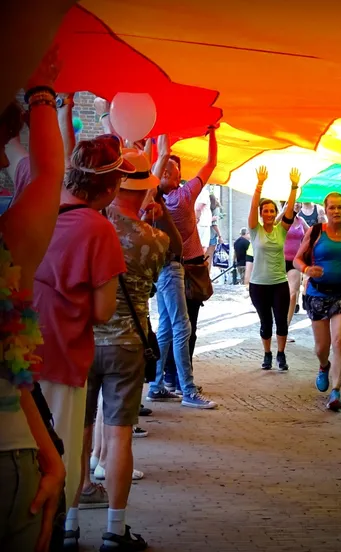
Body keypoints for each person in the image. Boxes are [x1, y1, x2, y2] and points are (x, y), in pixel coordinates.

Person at [33, 134, 137, 546]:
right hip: (63, 354)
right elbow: (101, 311)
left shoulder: (39, 211)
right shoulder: (98, 228)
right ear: (110, 188)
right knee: (60, 460)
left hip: (21, 351)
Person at [88, 149, 178, 550]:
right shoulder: (155, 239)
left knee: (80, 430)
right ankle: (114, 528)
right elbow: (171, 257)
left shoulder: (91, 226)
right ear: (145, 191)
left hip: (85, 339)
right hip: (129, 342)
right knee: (120, 435)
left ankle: (71, 524)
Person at [0, 54, 68, 552]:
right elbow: (49, 174)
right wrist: (41, 89)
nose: (5, 161)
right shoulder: (7, 245)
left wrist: (49, 452)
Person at [149, 127, 218, 408]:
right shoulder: (184, 195)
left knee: (167, 326)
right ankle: (187, 390)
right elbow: (210, 163)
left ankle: (156, 384)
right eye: (168, 168)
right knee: (182, 327)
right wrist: (212, 134)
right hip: (175, 268)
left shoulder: (151, 200)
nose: (172, 171)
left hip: (164, 269)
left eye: (173, 168)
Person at [293, 193, 341, 411]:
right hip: (317, 294)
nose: (336, 211)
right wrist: (307, 269)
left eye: (340, 208)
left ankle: (336, 391)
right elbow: (297, 259)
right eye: (332, 208)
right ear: (325, 210)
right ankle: (324, 366)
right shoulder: (316, 232)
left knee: (340, 340)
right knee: (321, 347)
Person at [247, 166, 301, 371]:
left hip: (279, 283)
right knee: (265, 322)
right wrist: (259, 184)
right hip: (258, 285)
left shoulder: (282, 230)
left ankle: (281, 354)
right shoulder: (255, 230)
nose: (268, 213)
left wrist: (294, 186)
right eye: (265, 211)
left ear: (275, 213)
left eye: (272, 211)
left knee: (281, 321)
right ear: (261, 214)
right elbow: (252, 207)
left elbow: (290, 210)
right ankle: (267, 354)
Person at [282, 203, 310, 329]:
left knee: (293, 294)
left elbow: (312, 233)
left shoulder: (300, 220)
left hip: (294, 262)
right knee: (277, 294)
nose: (297, 205)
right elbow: (271, 228)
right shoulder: (281, 219)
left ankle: (285, 327)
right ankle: (276, 320)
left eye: (298, 202)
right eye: (294, 203)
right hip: (278, 261)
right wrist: (283, 212)